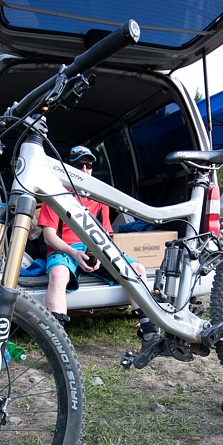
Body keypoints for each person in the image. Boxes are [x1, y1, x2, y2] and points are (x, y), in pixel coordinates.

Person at [37, 145, 161, 351]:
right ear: (69, 168)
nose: (85, 171)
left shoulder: (97, 197)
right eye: (79, 166)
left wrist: (99, 255)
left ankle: (151, 336)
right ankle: (55, 347)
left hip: (95, 248)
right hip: (65, 249)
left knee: (137, 269)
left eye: (89, 166)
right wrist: (74, 253)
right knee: (57, 275)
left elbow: (106, 235)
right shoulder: (54, 194)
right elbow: (48, 237)